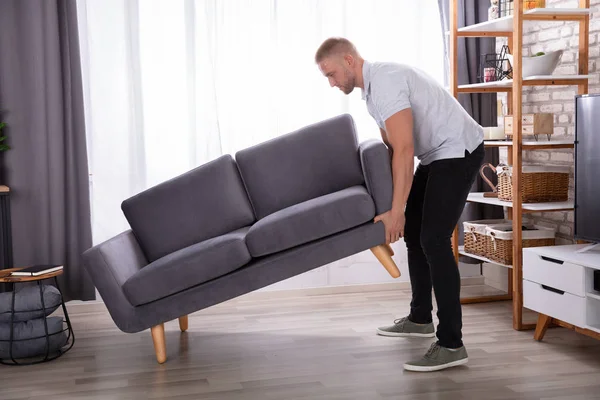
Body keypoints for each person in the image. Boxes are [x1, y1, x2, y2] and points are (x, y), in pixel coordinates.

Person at [315, 37, 485, 372]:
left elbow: (405, 150)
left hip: (458, 150)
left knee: (434, 240)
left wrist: (397, 210)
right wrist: (392, 209)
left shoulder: (387, 82)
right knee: (414, 234)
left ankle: (452, 343)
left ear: (349, 60)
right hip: (435, 154)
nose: (332, 84)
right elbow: (392, 152)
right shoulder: (370, 95)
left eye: (331, 74)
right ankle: (420, 318)